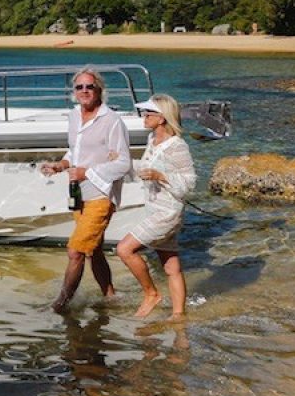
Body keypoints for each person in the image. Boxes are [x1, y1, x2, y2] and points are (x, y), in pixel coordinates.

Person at [41, 68, 132, 313]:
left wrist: (86, 173)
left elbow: (124, 163)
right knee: (93, 251)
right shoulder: (73, 116)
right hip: (79, 195)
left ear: (99, 90)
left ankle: (60, 305)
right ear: (74, 92)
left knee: (76, 251)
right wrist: (60, 165)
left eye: (89, 87)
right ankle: (111, 297)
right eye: (79, 87)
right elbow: (76, 153)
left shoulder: (111, 120)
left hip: (101, 195)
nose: (84, 91)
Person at [116, 94, 196, 319]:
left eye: (148, 112)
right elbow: (144, 171)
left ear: (162, 118)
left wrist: (161, 175)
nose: (144, 116)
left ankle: (151, 294)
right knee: (171, 267)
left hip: (167, 213)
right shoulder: (153, 140)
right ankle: (179, 317)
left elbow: (189, 183)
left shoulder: (177, 146)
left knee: (124, 249)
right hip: (155, 209)